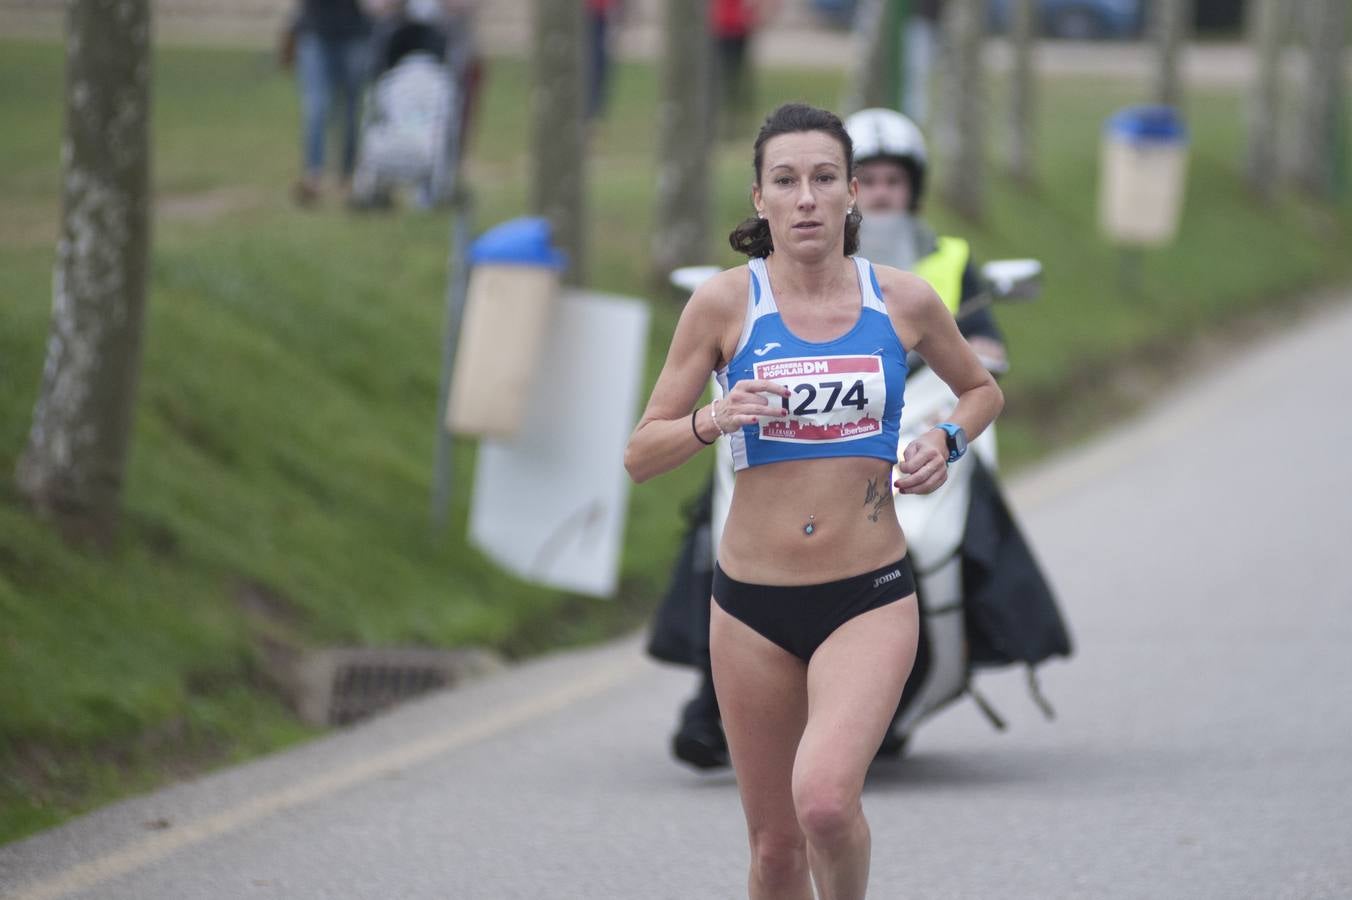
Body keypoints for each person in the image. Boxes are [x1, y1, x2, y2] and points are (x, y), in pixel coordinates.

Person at [625, 102, 1003, 900]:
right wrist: (711, 417)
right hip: (751, 606)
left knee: (826, 805)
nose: (806, 197)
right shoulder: (725, 305)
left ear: (854, 193)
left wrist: (948, 441)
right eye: (786, 181)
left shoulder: (901, 301)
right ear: (759, 199)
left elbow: (980, 390)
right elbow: (640, 452)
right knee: (773, 851)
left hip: (866, 594)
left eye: (824, 179)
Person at [286, 0, 373, 206]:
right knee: (317, 106)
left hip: (354, 31)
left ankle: (348, 175)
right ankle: (313, 176)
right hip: (315, 30)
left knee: (351, 110)